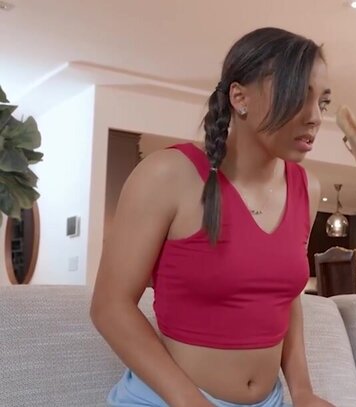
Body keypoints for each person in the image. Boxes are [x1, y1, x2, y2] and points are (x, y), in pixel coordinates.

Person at [90, 27, 333, 407]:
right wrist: (190, 401)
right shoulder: (167, 175)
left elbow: (283, 297)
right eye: (298, 96)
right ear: (240, 97)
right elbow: (110, 307)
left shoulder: (307, 188)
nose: (315, 117)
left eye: (323, 102)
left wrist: (302, 391)